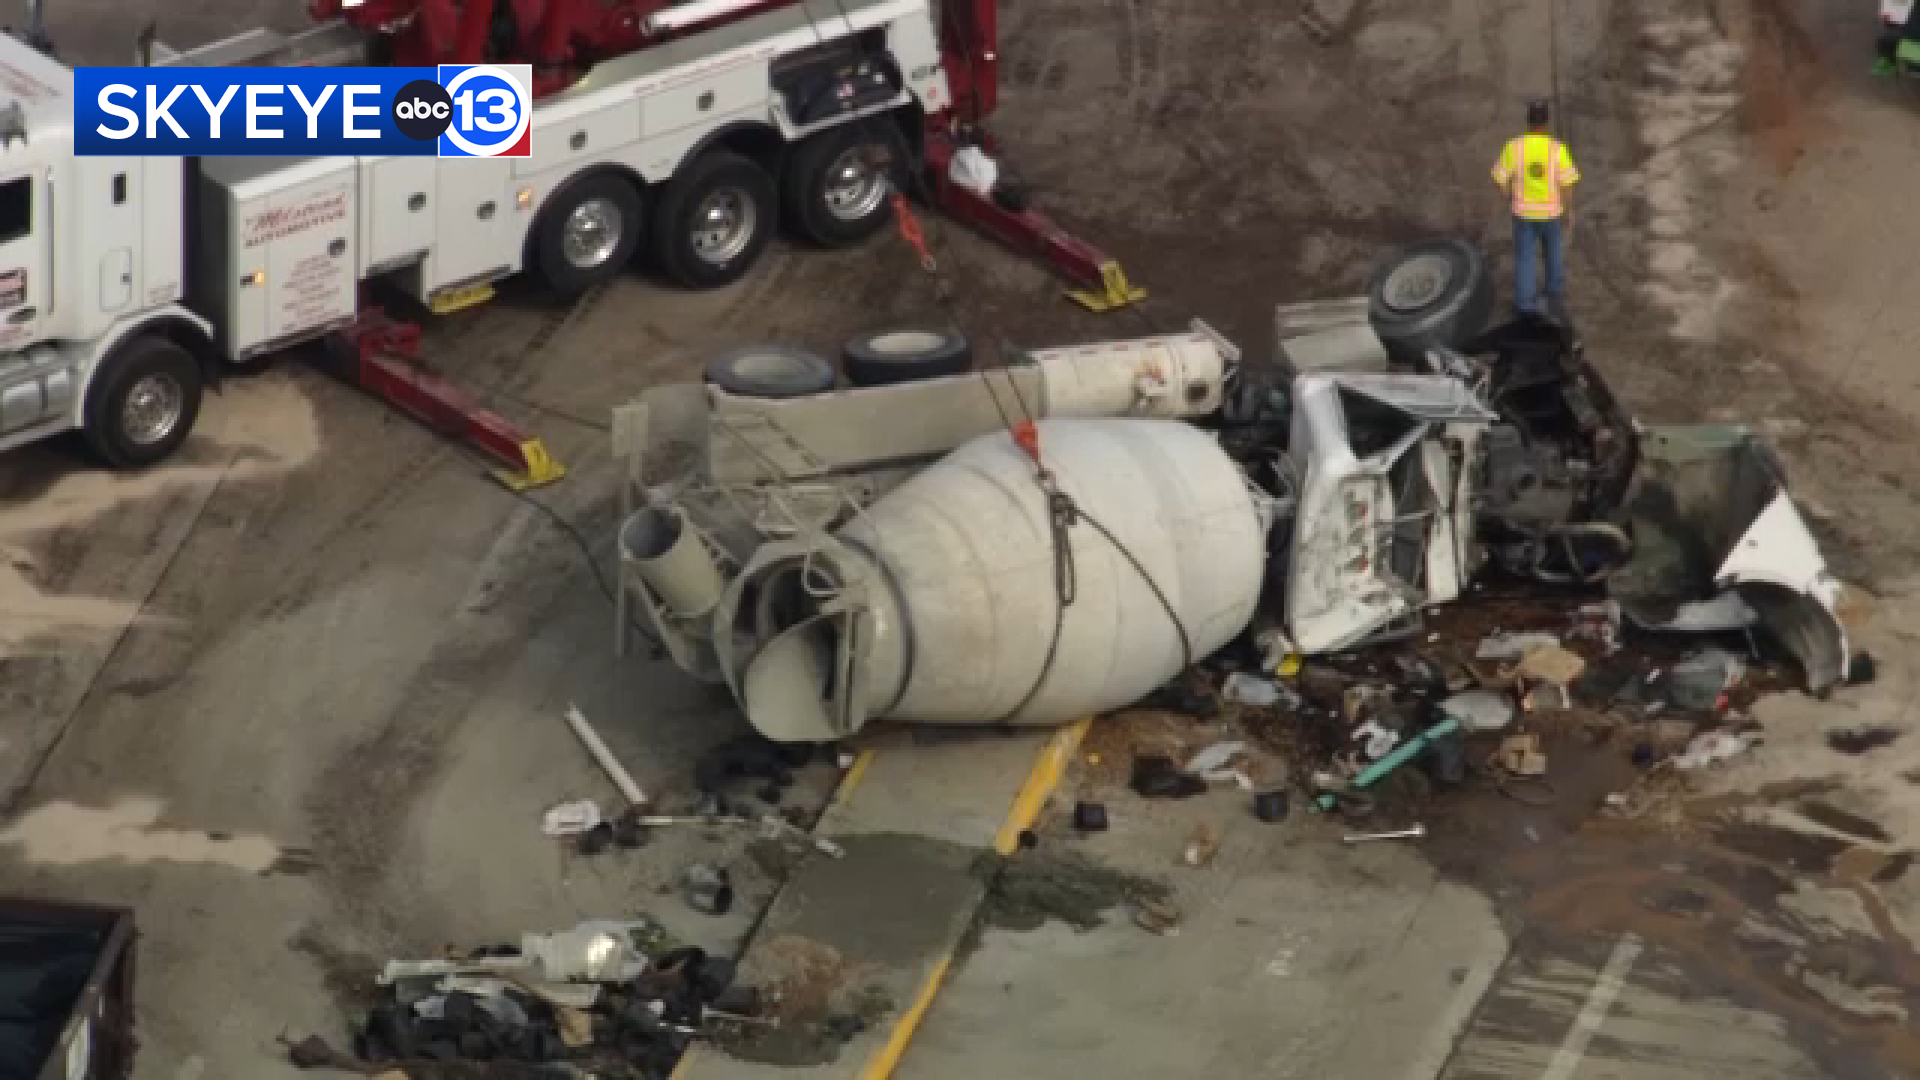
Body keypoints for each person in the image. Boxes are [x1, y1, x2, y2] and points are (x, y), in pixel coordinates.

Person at [1492, 99, 1579, 320]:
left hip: (1523, 214)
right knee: (1553, 256)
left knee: (1525, 260)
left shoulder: (1514, 147)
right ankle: (1554, 300)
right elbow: (1567, 184)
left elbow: (1499, 178)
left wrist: (1509, 196)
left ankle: (1525, 307)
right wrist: (1569, 212)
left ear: (1528, 121)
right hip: (1551, 214)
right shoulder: (1557, 149)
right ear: (1546, 122)